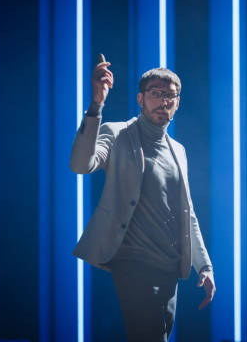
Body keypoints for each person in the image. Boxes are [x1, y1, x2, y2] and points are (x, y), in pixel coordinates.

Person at [70, 59, 215, 342]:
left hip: (170, 267)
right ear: (141, 98)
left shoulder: (179, 151)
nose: (163, 101)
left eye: (169, 96)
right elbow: (80, 164)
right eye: (156, 94)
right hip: (133, 261)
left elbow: (188, 214)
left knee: (157, 335)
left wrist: (205, 266)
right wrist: (96, 106)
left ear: (178, 102)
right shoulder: (118, 133)